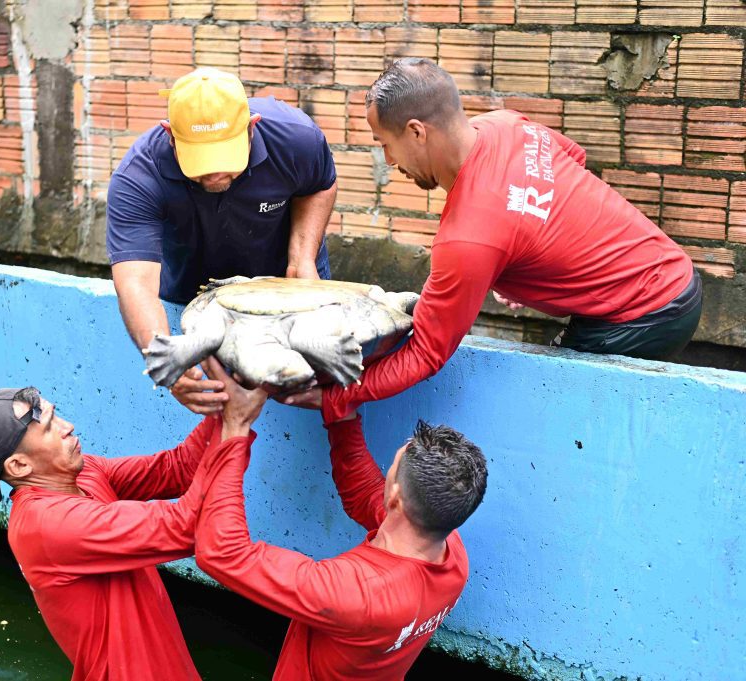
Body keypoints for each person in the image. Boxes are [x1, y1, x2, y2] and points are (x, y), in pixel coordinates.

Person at [295, 58, 702, 424]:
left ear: (416, 132)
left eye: (386, 144)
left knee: (566, 416)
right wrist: (529, 247)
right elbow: (572, 158)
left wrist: (336, 397)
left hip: (648, 313)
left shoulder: (469, 238)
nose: (388, 161)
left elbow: (425, 353)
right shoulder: (506, 125)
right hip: (675, 273)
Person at [194, 357, 487, 680]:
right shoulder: (451, 551)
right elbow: (363, 493)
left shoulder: (356, 592)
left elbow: (222, 553)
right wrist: (339, 410)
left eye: (390, 469)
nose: (384, 476)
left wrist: (234, 431)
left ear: (395, 497)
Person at [0, 383, 263, 680]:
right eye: (49, 427)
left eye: (56, 415)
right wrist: (235, 429)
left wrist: (235, 390)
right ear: (19, 465)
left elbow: (180, 468)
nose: (68, 426)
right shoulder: (46, 524)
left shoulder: (80, 473)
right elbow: (187, 525)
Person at [107, 67, 338, 416]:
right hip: (196, 294)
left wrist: (302, 258)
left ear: (252, 126)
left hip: (288, 284)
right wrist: (165, 359)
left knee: (320, 385)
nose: (215, 172)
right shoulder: (139, 176)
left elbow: (320, 183)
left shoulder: (295, 138)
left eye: (226, 157)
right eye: (201, 160)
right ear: (170, 135)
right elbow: (136, 284)